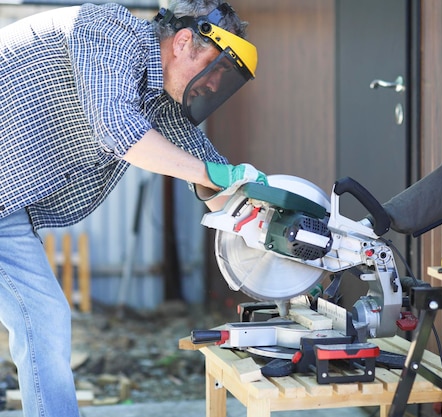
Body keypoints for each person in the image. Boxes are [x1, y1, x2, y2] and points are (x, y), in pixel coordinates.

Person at [0, 0, 265, 415]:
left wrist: (258, 208)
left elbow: (203, 168)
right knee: (42, 317)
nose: (214, 86)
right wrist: (215, 176)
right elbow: (118, 128)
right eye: (216, 68)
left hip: (6, 206)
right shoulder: (107, 29)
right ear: (182, 43)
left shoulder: (158, 95)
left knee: (44, 319)